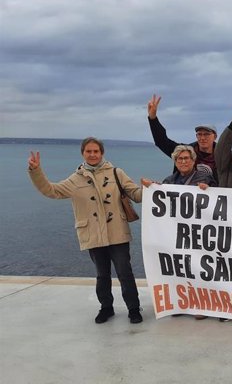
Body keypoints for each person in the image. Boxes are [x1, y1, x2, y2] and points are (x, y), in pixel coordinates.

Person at [27, 137, 144, 324]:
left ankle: (134, 309)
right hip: (93, 234)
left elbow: (136, 194)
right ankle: (106, 308)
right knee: (102, 274)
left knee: (125, 272)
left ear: (102, 153)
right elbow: (51, 190)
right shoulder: (75, 179)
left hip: (117, 232)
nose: (92, 154)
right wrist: (36, 171)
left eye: (96, 151)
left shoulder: (116, 173)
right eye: (88, 151)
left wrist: (151, 188)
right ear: (83, 153)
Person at [141, 145, 216, 320]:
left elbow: (219, 200)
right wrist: (153, 189)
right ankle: (180, 303)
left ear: (193, 160)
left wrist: (209, 190)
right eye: (179, 159)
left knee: (199, 269)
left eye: (186, 158)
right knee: (179, 269)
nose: (183, 161)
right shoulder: (168, 181)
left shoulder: (205, 178)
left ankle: (202, 305)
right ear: (175, 161)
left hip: (199, 234)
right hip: (176, 235)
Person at [147, 94, 218, 179]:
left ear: (215, 136)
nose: (202, 138)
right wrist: (153, 119)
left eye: (206, 134)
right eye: (199, 134)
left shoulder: (223, 155)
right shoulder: (184, 150)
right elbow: (161, 141)